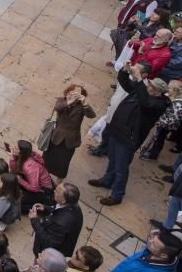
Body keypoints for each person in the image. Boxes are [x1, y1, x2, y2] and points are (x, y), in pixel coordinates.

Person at [88, 67, 170, 205]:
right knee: (112, 159)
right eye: (149, 85)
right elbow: (124, 82)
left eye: (152, 87)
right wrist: (125, 71)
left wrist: (139, 81)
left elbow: (145, 104)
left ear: (159, 92)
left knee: (121, 168)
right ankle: (107, 180)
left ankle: (117, 195)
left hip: (128, 138)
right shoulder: (141, 92)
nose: (149, 87)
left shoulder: (158, 104)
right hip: (117, 130)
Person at [100, 227, 180, 272]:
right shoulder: (159, 255)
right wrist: (153, 238)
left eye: (153, 244)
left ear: (163, 255)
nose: (149, 241)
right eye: (152, 239)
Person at [43, 84, 95, 182]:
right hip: (56, 137)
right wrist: (69, 102)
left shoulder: (81, 106)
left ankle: (59, 184)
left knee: (63, 165)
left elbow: (91, 115)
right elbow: (57, 108)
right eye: (70, 92)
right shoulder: (61, 101)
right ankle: (44, 179)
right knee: (47, 161)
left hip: (70, 141)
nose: (73, 95)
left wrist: (85, 103)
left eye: (76, 93)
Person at [29, 182, 83, 257]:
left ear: (64, 200)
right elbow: (59, 209)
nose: (54, 191)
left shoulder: (60, 224)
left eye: (57, 192)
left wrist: (34, 220)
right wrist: (46, 208)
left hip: (47, 257)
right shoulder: (72, 205)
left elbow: (48, 242)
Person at [9, 139, 54, 212]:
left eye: (16, 147)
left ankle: (38, 208)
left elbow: (35, 188)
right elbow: (14, 169)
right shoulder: (27, 155)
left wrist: (20, 180)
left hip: (43, 190)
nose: (13, 147)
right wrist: (12, 157)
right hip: (33, 180)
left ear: (21, 152)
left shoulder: (30, 167)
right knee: (11, 175)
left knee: (18, 202)